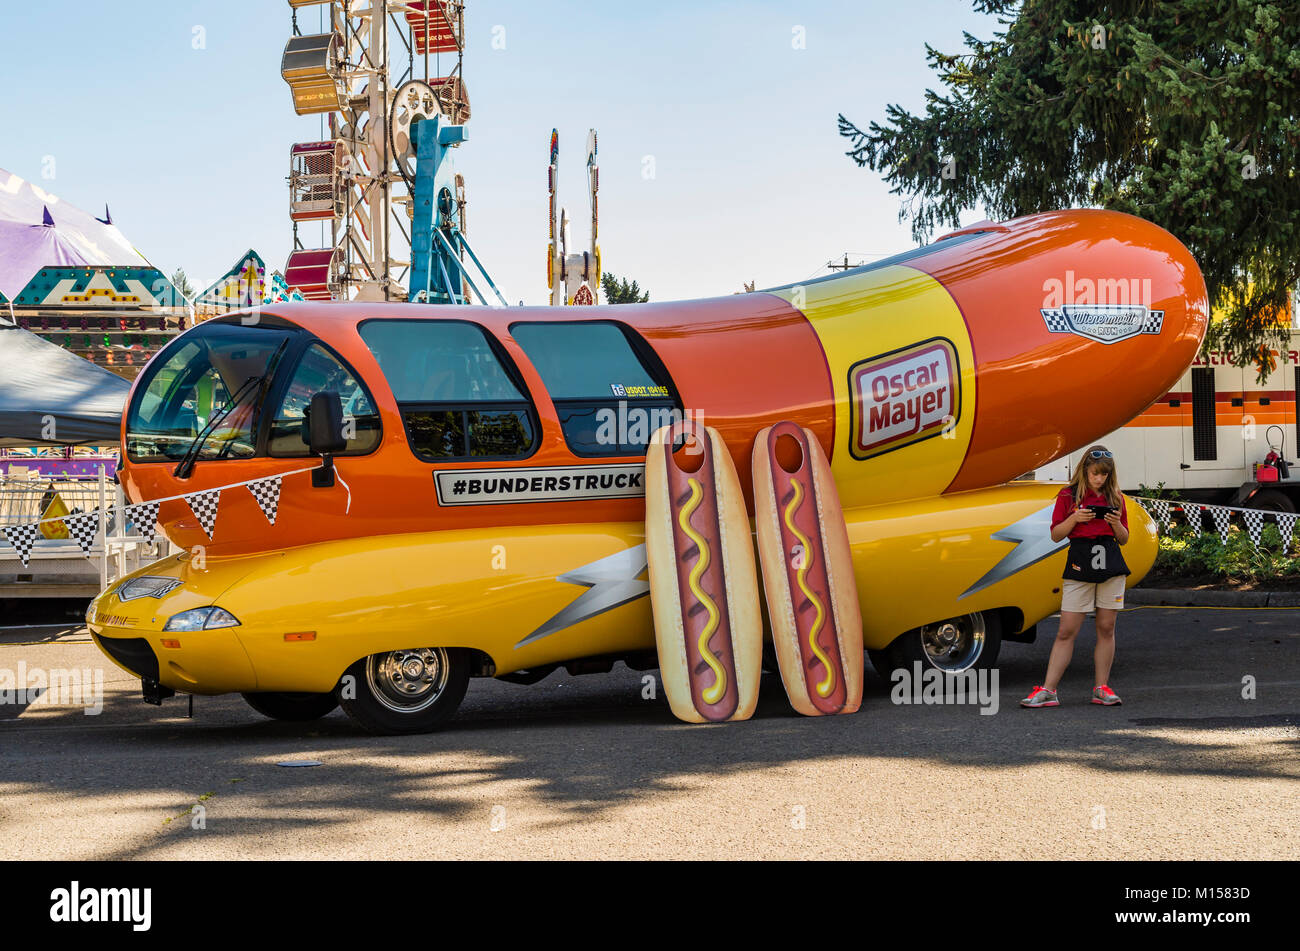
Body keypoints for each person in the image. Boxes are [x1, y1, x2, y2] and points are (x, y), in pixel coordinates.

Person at [1021, 446, 1131, 708]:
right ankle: (1048, 690)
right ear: (1085, 470)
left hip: (1110, 565)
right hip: (1080, 565)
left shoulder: (1115, 496)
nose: (1099, 479)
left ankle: (1101, 687)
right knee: (1067, 629)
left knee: (1106, 627)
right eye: (1095, 474)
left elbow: (1125, 538)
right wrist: (1075, 518)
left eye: (1104, 475)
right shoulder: (1068, 495)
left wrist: (1115, 523)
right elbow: (1056, 534)